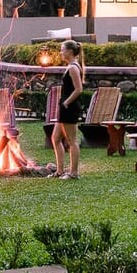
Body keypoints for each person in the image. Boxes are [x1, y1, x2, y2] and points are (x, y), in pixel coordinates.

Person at [50, 39, 84, 179]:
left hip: (69, 108)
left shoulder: (73, 68)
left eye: (62, 50)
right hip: (65, 107)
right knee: (55, 138)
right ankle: (59, 171)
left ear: (70, 51)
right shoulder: (70, 66)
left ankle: (73, 173)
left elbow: (79, 89)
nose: (60, 52)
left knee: (71, 141)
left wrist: (66, 102)